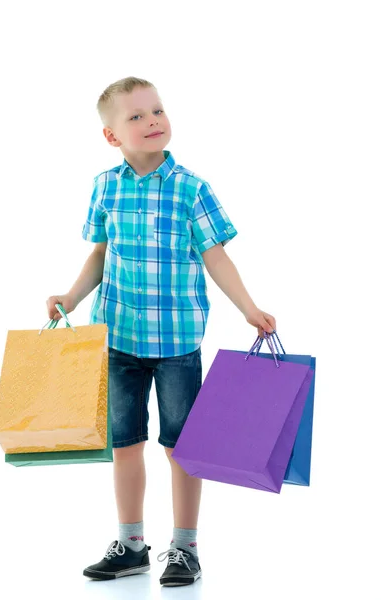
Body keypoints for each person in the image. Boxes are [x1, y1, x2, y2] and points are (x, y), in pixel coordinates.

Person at [46, 76, 276, 587]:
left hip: (176, 345)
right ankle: (131, 545)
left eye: (157, 111)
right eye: (137, 116)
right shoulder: (105, 186)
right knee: (124, 443)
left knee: (181, 446)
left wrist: (249, 307)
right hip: (117, 338)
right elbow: (100, 255)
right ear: (112, 136)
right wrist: (70, 296)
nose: (152, 121)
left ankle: (185, 548)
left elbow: (216, 256)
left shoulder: (191, 188)